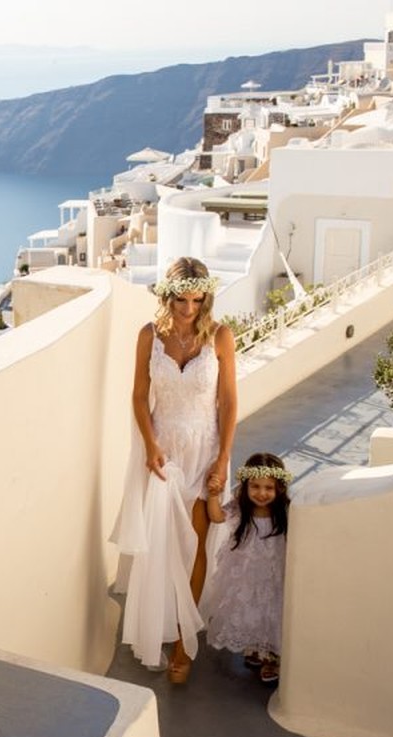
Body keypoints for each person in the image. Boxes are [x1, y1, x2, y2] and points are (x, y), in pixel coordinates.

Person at [112, 257, 238, 683]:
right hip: (164, 453)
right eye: (181, 300)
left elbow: (229, 402)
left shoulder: (221, 336)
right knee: (165, 544)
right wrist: (150, 446)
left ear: (206, 296)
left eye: (197, 299)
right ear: (167, 295)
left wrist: (222, 459)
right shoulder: (149, 335)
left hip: (205, 449)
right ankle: (162, 621)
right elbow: (137, 396)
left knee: (198, 544)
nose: (189, 309)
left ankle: (185, 642)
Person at [200, 453, 292, 684]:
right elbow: (217, 516)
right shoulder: (240, 508)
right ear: (246, 485)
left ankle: (272, 656)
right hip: (245, 572)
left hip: (271, 573)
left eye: (269, 487)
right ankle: (254, 645)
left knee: (270, 608)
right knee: (248, 605)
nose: (261, 493)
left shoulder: (286, 513)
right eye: (256, 486)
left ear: (279, 488)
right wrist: (212, 495)